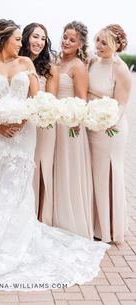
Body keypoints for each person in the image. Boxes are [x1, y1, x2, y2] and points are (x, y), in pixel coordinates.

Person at [0, 19, 109, 290]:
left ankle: (16, 239)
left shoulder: (26, 64)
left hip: (23, 133)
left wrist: (20, 122)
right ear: (3, 40)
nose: (21, 44)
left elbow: (36, 100)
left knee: (20, 183)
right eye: (17, 39)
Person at [87, 24, 132, 243]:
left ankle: (110, 228)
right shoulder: (93, 61)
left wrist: (109, 120)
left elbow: (122, 102)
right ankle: (95, 223)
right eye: (97, 40)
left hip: (110, 129)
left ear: (116, 45)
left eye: (104, 43)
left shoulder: (120, 68)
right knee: (95, 175)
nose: (98, 45)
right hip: (91, 125)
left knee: (109, 173)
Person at [53, 21, 93, 239]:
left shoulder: (78, 66)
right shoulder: (56, 61)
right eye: (65, 37)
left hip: (69, 125)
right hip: (52, 123)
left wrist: (75, 120)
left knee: (67, 169)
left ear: (80, 44)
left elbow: (82, 100)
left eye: (72, 39)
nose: (66, 42)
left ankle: (69, 222)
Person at [20, 23, 59, 225]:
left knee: (40, 167)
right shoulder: (16, 62)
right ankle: (22, 217)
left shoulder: (50, 68)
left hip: (42, 125)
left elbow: (50, 99)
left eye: (43, 39)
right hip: (19, 125)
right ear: (26, 37)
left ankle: (40, 217)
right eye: (36, 37)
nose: (39, 42)